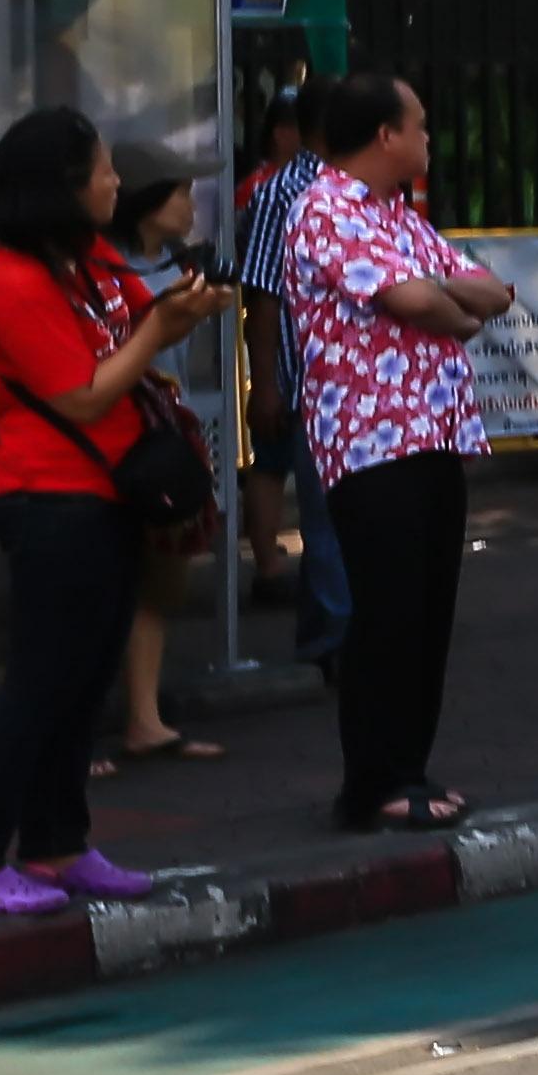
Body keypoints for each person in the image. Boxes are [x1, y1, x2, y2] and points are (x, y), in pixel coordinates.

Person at [0, 109, 226, 915]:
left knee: (84, 680)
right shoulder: (13, 283)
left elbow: (132, 321)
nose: (115, 184)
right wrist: (162, 327)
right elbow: (85, 393)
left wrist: (183, 305)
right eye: (101, 171)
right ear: (63, 188)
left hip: (108, 495)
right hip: (49, 498)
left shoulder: (88, 262)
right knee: (38, 683)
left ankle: (58, 844)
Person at [285, 72, 515, 831]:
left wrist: (443, 299)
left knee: (426, 611)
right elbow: (418, 301)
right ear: (384, 135)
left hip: (435, 431)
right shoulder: (324, 208)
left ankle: (409, 769)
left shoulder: (395, 216)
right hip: (372, 439)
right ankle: (373, 781)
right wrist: (445, 301)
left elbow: (492, 293)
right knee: (386, 613)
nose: (426, 138)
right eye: (417, 125)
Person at [96, 145, 226, 774]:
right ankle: (79, 730)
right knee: (100, 584)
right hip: (113, 442)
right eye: (179, 190)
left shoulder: (169, 265)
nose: (191, 203)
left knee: (161, 577)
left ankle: (144, 719)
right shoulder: (102, 269)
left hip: (163, 440)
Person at [231, 87, 344, 663]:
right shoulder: (283, 193)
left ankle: (339, 634)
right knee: (324, 521)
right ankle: (329, 643)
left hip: (357, 391)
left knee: (344, 521)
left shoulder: (358, 187)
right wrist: (267, 384)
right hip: (309, 385)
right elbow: (264, 295)